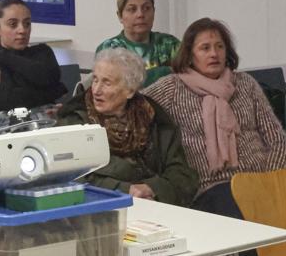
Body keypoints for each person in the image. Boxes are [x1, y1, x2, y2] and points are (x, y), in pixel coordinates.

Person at [143, 18, 286, 256]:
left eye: (219, 46)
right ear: (189, 55)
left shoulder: (245, 84)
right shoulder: (172, 88)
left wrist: (269, 181)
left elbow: (276, 138)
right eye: (205, 48)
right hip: (211, 186)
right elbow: (134, 104)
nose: (214, 53)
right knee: (250, 229)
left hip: (260, 180)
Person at [56, 48, 197, 206]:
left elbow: (181, 174)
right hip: (100, 210)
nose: (96, 90)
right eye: (95, 80)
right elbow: (71, 177)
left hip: (156, 206)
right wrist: (125, 189)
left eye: (106, 83)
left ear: (129, 91)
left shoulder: (154, 118)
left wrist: (152, 188)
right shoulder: (74, 121)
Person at [0, 0, 66, 117]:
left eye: (27, 23)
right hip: (7, 130)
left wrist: (2, 55)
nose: (22, 30)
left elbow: (48, 77)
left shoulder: (43, 52)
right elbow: (11, 102)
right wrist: (55, 91)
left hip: (46, 128)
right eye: (13, 24)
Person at [96, 0, 180, 87]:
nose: (140, 14)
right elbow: (122, 85)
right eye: (132, 9)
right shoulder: (109, 49)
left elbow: (190, 75)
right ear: (120, 16)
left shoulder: (169, 44)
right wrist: (166, 71)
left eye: (146, 8)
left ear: (154, 12)